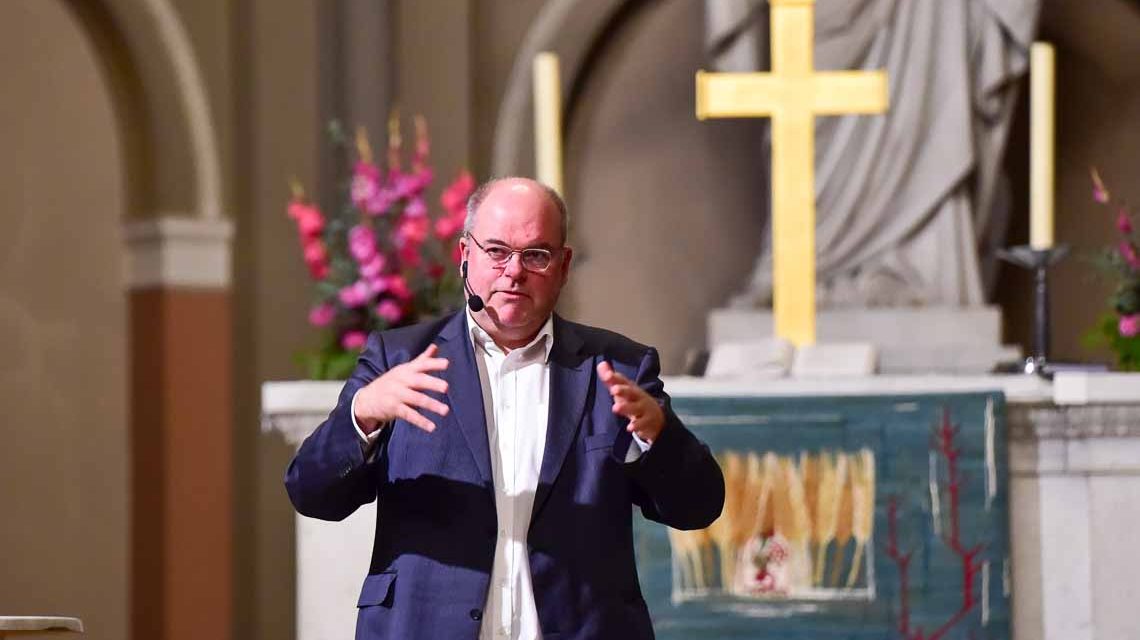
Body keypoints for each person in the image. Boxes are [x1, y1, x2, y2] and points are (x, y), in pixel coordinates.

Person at [285, 177, 725, 640]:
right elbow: (311, 493)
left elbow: (698, 507)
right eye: (497, 251)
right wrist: (363, 414)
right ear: (464, 256)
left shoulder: (619, 368)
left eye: (536, 255)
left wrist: (661, 437)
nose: (514, 271)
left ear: (564, 265)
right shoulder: (400, 359)